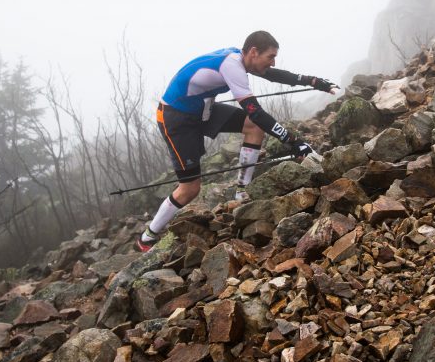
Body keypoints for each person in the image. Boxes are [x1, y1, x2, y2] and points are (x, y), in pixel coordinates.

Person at [135, 30, 337, 253]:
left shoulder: (240, 59)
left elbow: (276, 76)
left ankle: (241, 192)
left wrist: (315, 82)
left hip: (203, 109)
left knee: (253, 126)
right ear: (253, 52)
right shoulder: (232, 66)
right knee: (190, 188)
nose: (273, 61)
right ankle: (148, 237)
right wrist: (294, 141)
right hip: (176, 118)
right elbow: (257, 111)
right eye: (270, 56)